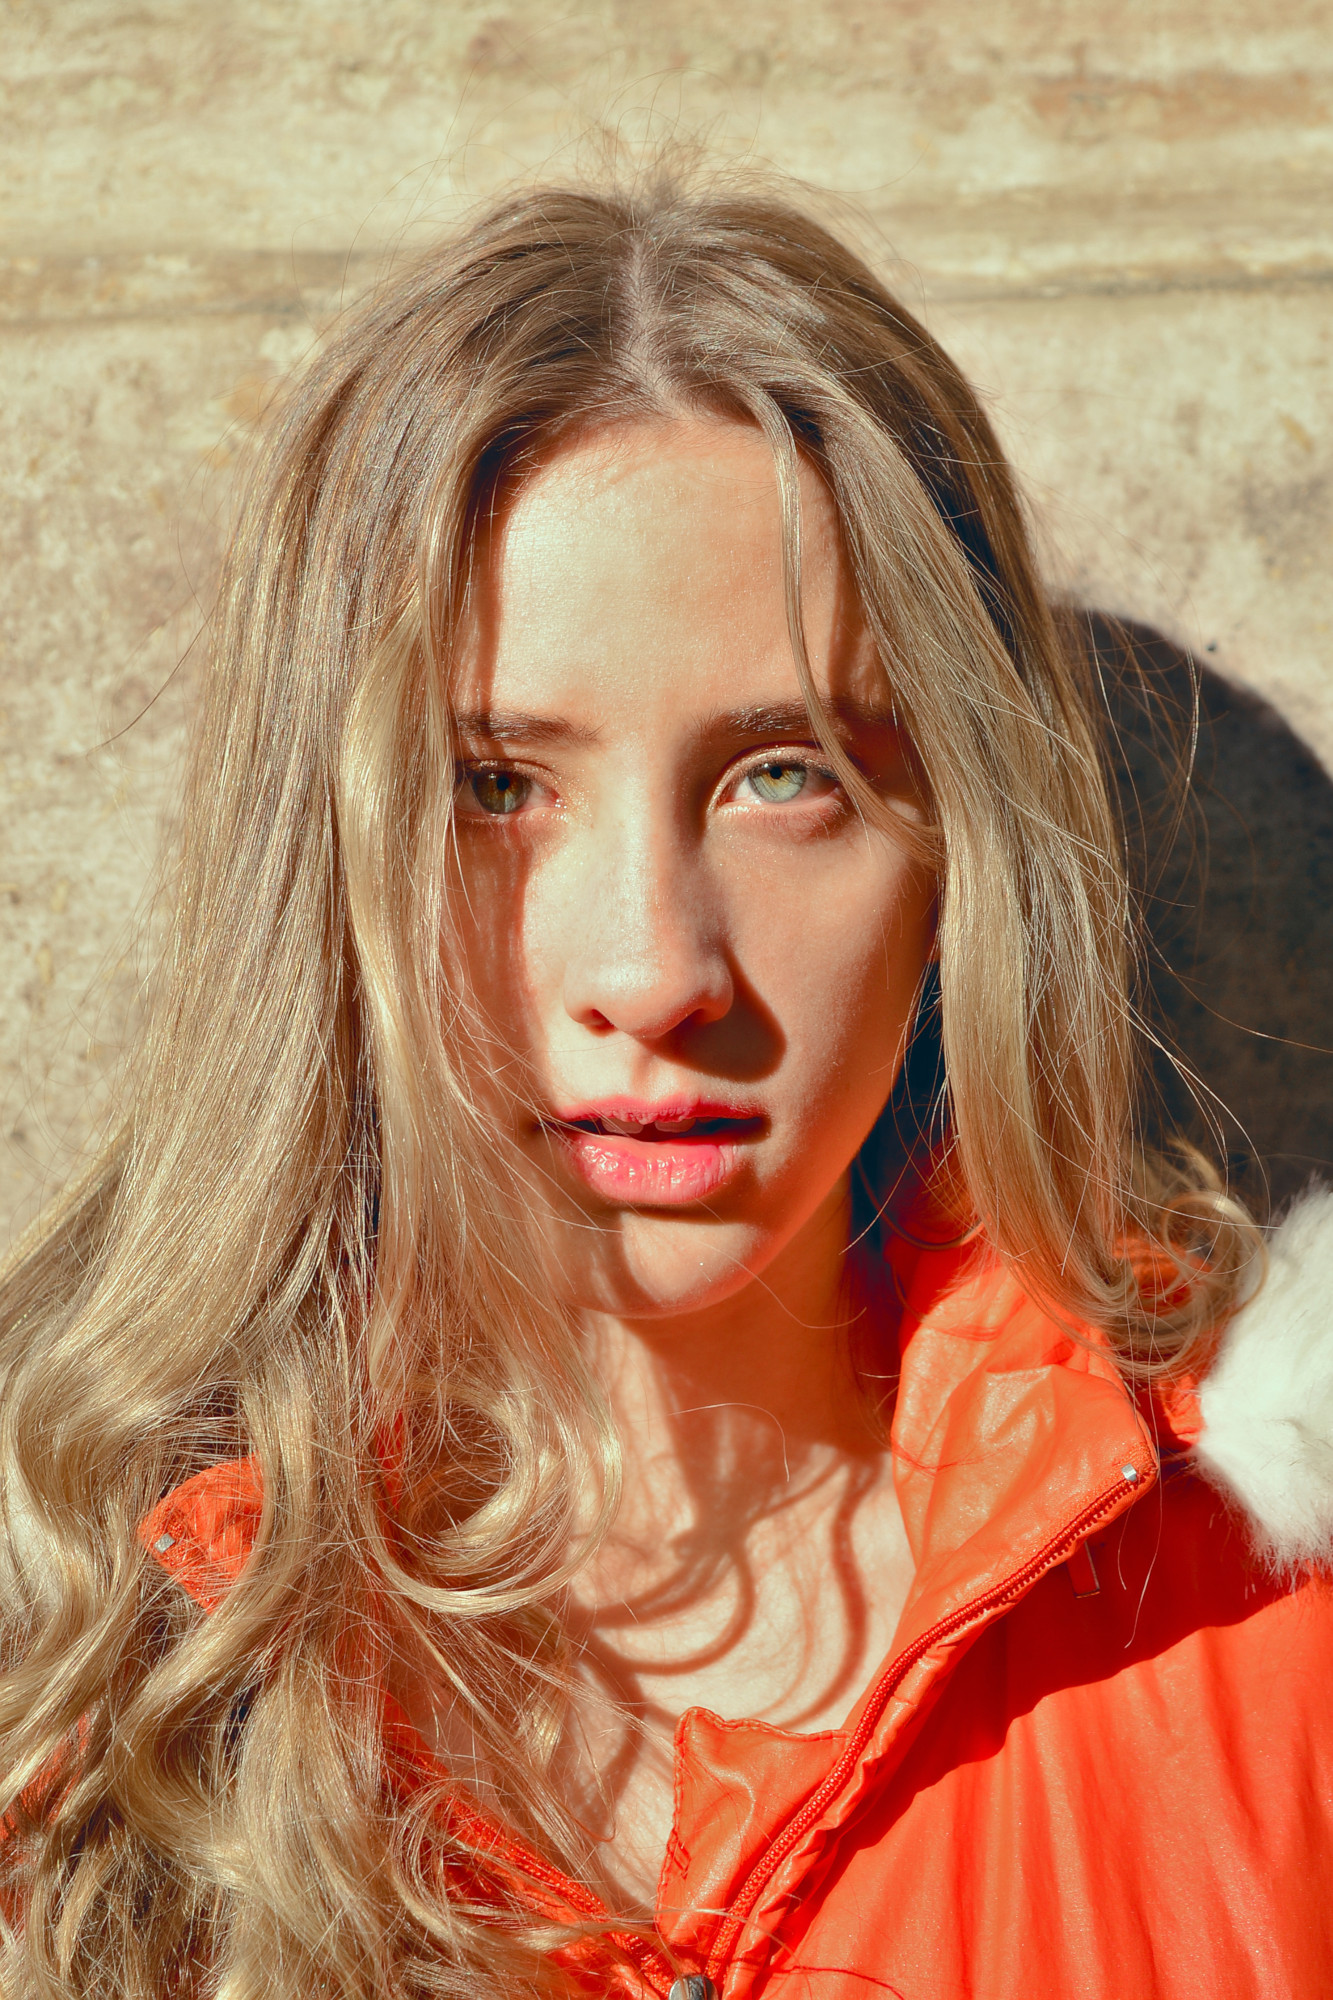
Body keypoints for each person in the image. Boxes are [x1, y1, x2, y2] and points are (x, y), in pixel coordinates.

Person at [1, 174, 1330, 2000]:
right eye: (495, 785)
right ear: (319, 868)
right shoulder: (92, 1707)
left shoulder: (1272, 1627)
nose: (651, 972)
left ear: (959, 857)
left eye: (784, 773)